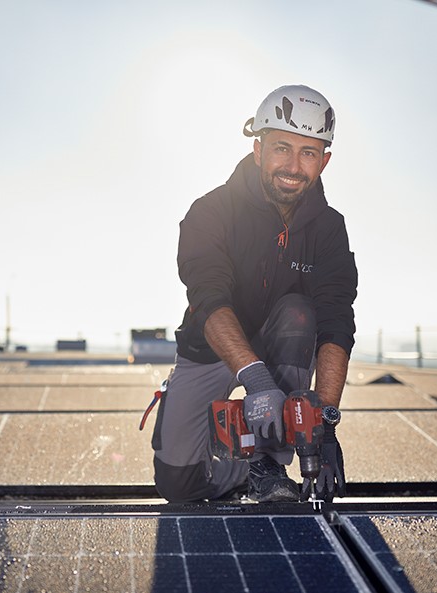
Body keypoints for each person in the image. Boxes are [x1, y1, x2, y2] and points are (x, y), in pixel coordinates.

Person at [150, 85, 357, 503]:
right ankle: (239, 456)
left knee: (300, 313)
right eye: (282, 148)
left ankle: (266, 461)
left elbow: (336, 318)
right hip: (212, 347)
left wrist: (328, 420)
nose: (294, 166)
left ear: (325, 161)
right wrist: (256, 379)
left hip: (284, 345)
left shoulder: (329, 229)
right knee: (178, 484)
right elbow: (208, 299)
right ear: (258, 148)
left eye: (309, 153)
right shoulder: (210, 211)